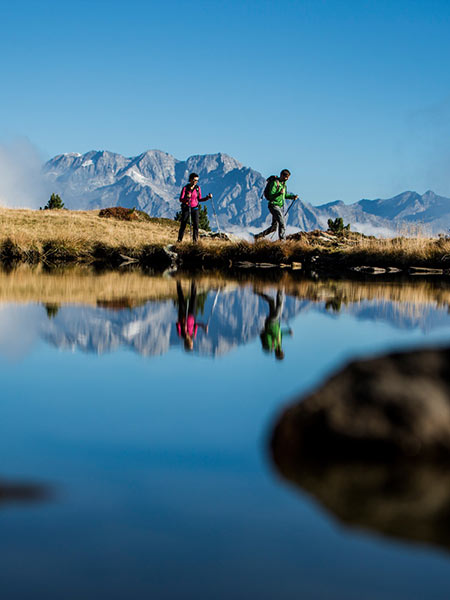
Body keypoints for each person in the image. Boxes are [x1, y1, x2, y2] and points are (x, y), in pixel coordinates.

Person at [254, 169, 298, 241]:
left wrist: (292, 197)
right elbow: (271, 196)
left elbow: (284, 195)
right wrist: (279, 193)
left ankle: (258, 236)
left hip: (279, 207)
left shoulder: (283, 184)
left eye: (288, 178)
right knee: (282, 223)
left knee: (274, 227)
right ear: (281, 175)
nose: (287, 179)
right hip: (273, 205)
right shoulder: (275, 183)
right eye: (286, 177)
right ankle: (282, 242)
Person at [256, 289, 292, 360]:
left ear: (277, 353)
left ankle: (280, 289)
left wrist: (272, 341)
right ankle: (259, 292)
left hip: (271, 324)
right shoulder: (279, 344)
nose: (281, 351)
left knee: (278, 310)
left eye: (280, 353)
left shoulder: (271, 345)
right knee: (272, 302)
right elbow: (280, 333)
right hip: (275, 322)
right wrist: (288, 333)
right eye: (282, 352)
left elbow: (267, 334)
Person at [177, 173, 212, 243]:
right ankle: (179, 240)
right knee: (183, 224)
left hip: (195, 208)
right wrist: (187, 198)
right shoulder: (185, 188)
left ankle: (195, 242)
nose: (196, 182)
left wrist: (207, 198)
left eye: (197, 180)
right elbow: (181, 199)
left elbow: (199, 199)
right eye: (194, 180)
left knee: (196, 225)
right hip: (186, 208)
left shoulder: (198, 188)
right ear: (190, 180)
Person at [175, 280, 208, 351]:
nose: (192, 342)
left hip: (183, 315)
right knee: (194, 297)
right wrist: (203, 326)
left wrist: (183, 326)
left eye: (191, 344)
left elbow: (177, 324)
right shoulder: (193, 335)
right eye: (192, 344)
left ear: (187, 343)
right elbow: (195, 325)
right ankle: (193, 280)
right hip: (192, 315)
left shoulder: (181, 334)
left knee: (181, 298)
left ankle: (178, 281)